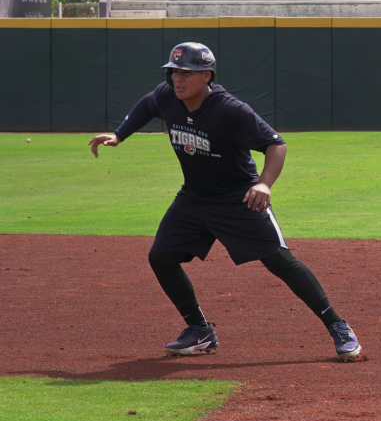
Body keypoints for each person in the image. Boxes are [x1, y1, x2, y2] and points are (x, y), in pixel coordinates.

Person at [88, 42, 362, 361]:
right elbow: (147, 105)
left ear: (206, 75)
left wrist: (264, 184)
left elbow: (276, 145)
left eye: (186, 73)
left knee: (279, 260)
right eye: (174, 72)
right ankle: (200, 330)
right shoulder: (166, 96)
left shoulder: (231, 110)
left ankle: (338, 326)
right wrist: (119, 135)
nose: (178, 78)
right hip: (194, 197)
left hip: (238, 197)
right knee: (161, 256)